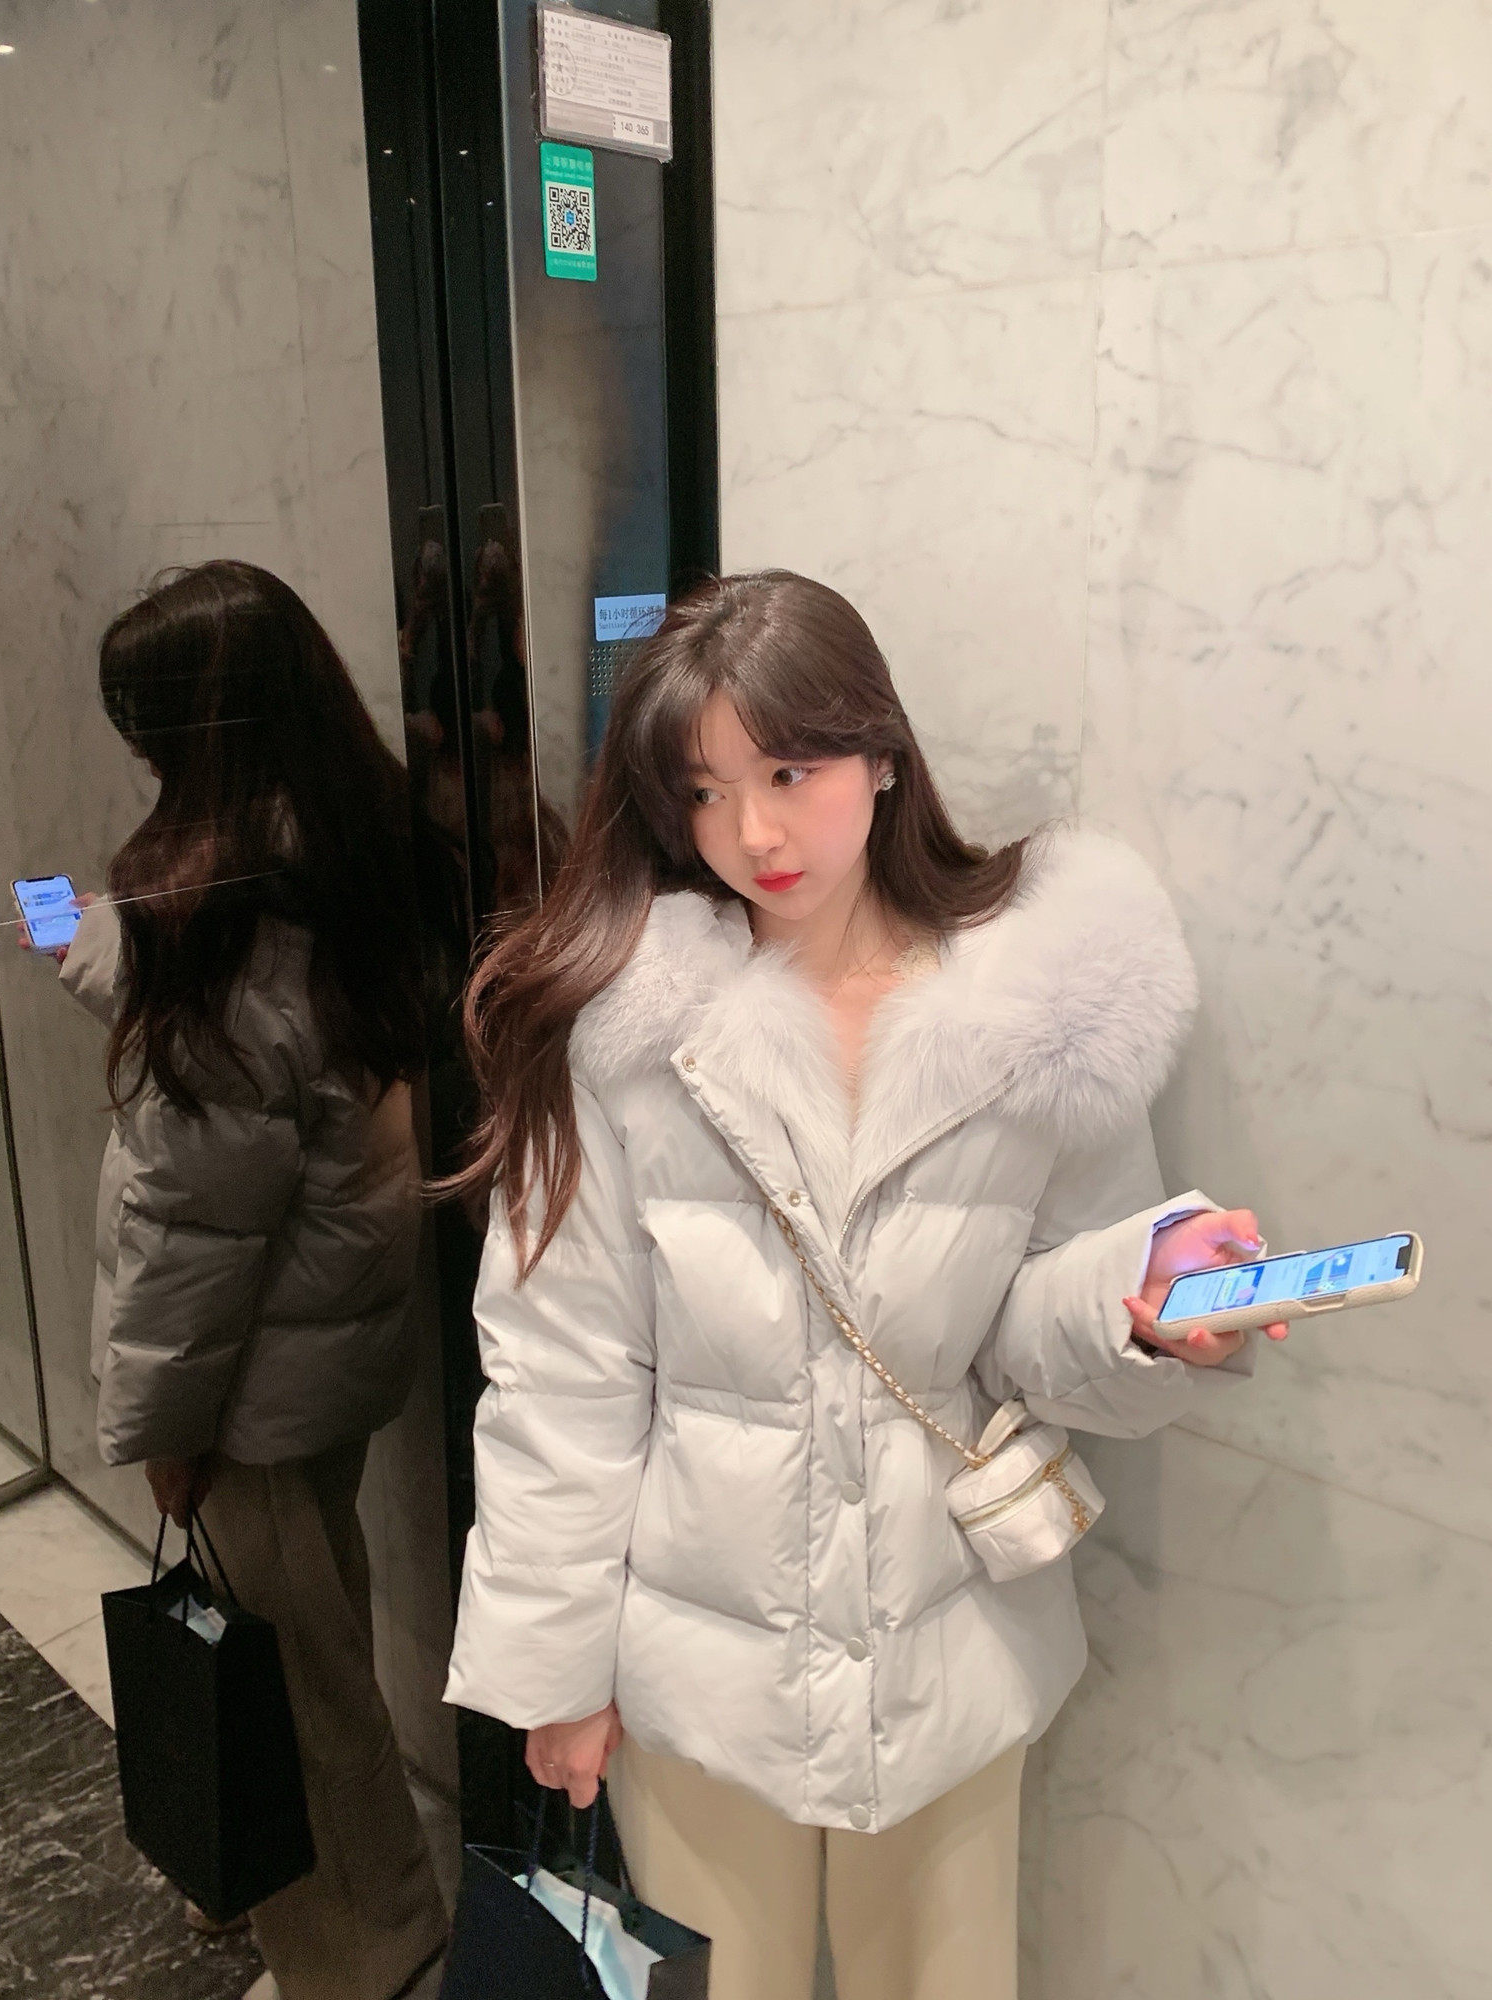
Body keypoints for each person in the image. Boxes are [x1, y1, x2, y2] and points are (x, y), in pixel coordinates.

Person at [441, 571, 1286, 2000]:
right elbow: (563, 1371)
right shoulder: (623, 1026)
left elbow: (1026, 1322)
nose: (754, 834)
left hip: (949, 1653)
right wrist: (556, 1671)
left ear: (882, 756)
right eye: (705, 792)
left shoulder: (1041, 1011)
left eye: (791, 772)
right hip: (703, 1675)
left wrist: (1140, 1307)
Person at [50, 562, 448, 2000]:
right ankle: (332, 1901)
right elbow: (252, 1058)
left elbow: (192, 1233)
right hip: (332, 1353)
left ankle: (371, 1946)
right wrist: (63, 919)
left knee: (303, 1690)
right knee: (316, 1644)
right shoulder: (352, 851)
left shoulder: (221, 935)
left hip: (249, 1394)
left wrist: (171, 1433)